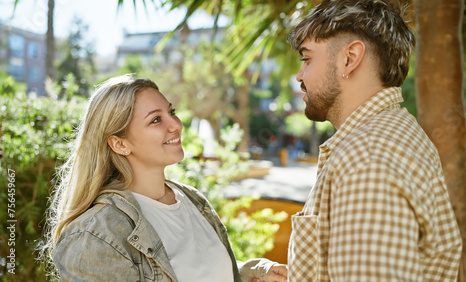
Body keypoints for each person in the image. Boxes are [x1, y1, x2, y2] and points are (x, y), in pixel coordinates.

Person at [41, 75, 287, 282]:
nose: (176, 125)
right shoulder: (93, 235)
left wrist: (245, 272)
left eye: (172, 112)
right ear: (120, 143)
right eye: (156, 120)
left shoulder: (192, 200)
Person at [286, 0, 462, 281]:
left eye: (307, 59)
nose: (300, 75)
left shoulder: (366, 158)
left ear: (350, 58)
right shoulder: (392, 135)